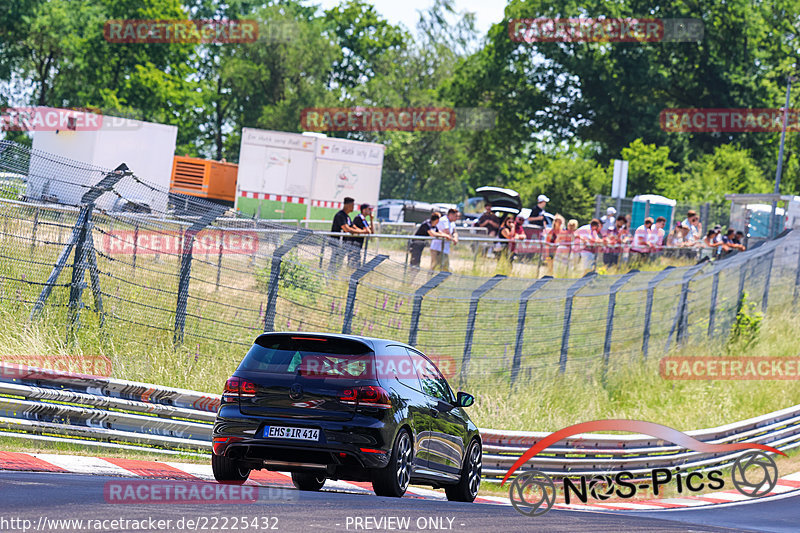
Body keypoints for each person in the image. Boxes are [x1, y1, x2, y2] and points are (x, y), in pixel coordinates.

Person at [331, 197, 368, 267]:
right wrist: (361, 232)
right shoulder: (340, 215)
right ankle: (330, 275)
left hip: (343, 243)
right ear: (347, 205)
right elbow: (347, 229)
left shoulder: (347, 216)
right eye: (353, 205)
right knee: (334, 262)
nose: (353, 207)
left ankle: (334, 276)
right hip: (337, 243)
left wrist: (363, 231)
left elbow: (353, 226)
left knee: (339, 263)